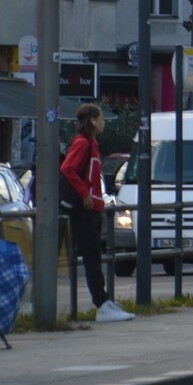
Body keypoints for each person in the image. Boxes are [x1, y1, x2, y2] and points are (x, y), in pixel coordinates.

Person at [61, 103, 134, 322]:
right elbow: (67, 168)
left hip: (92, 209)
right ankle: (102, 304)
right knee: (92, 257)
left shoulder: (92, 143)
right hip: (83, 209)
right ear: (92, 120)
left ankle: (104, 301)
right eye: (101, 118)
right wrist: (84, 194)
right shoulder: (83, 143)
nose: (103, 122)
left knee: (94, 257)